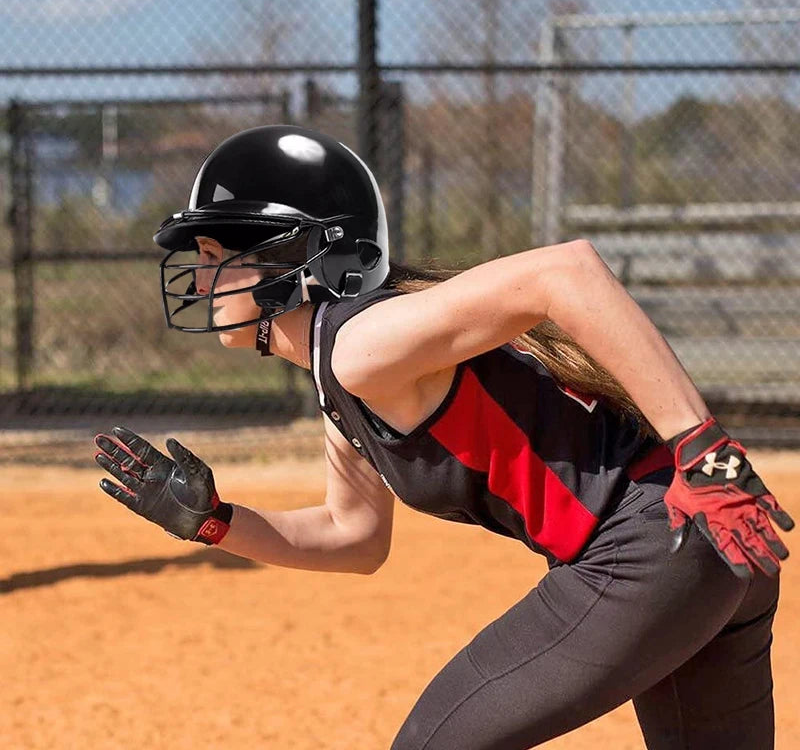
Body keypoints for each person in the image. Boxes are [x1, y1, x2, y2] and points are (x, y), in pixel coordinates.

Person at [94, 125, 794, 750]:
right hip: (708, 544)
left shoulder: (361, 348)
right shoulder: (349, 369)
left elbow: (565, 272)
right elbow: (354, 536)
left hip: (656, 544)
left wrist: (707, 451)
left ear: (299, 253)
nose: (201, 274)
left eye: (219, 251)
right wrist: (215, 522)